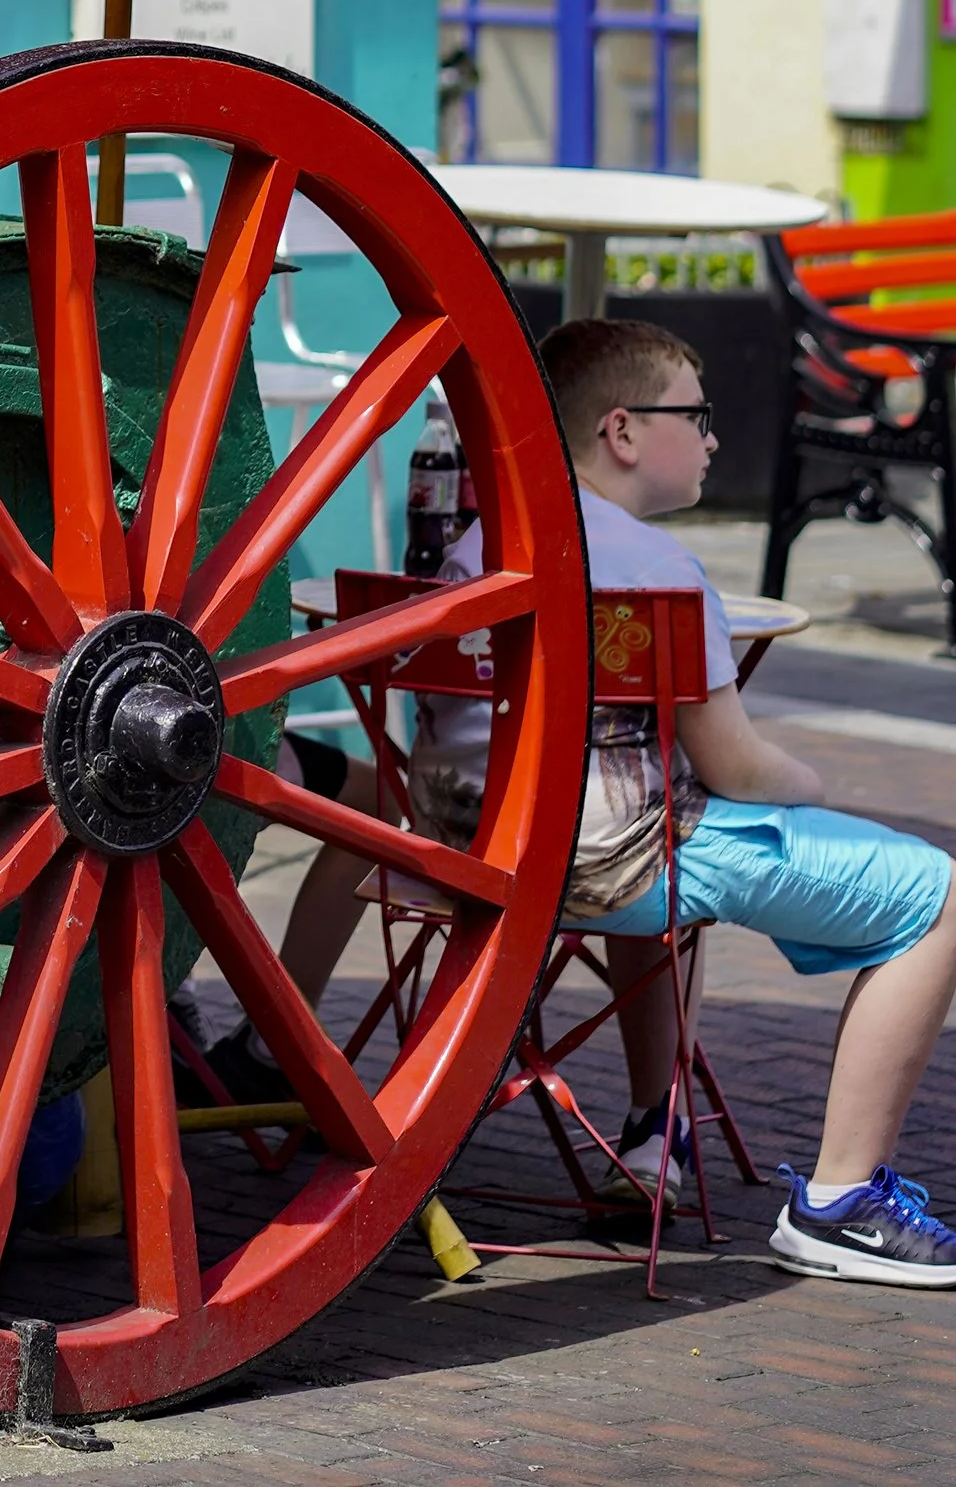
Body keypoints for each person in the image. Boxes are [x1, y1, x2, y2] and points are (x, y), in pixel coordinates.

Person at [244, 316, 956, 1282]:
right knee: (937, 893)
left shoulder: (484, 543)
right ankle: (840, 1201)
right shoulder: (660, 572)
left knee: (653, 826)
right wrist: (814, 785)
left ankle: (656, 1128)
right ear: (622, 432)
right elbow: (740, 771)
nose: (713, 439)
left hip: (471, 848)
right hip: (611, 861)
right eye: (697, 417)